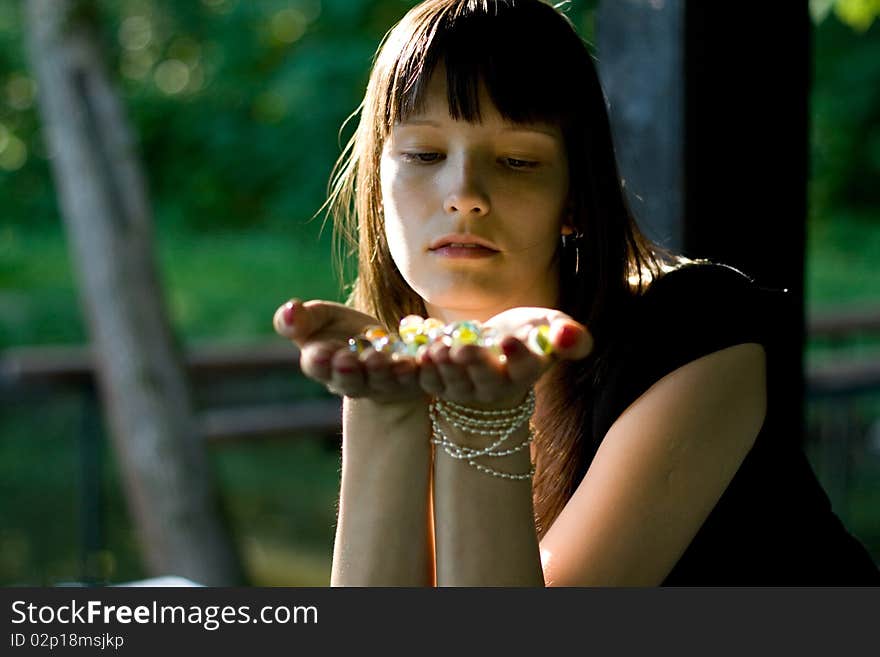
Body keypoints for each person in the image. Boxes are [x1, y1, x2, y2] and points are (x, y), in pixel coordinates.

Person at [273, 0, 880, 586]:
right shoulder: (404, 359)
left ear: (575, 200)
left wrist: (486, 415)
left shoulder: (693, 330)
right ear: (379, 188)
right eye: (424, 153)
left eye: (516, 160)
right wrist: (383, 410)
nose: (464, 193)